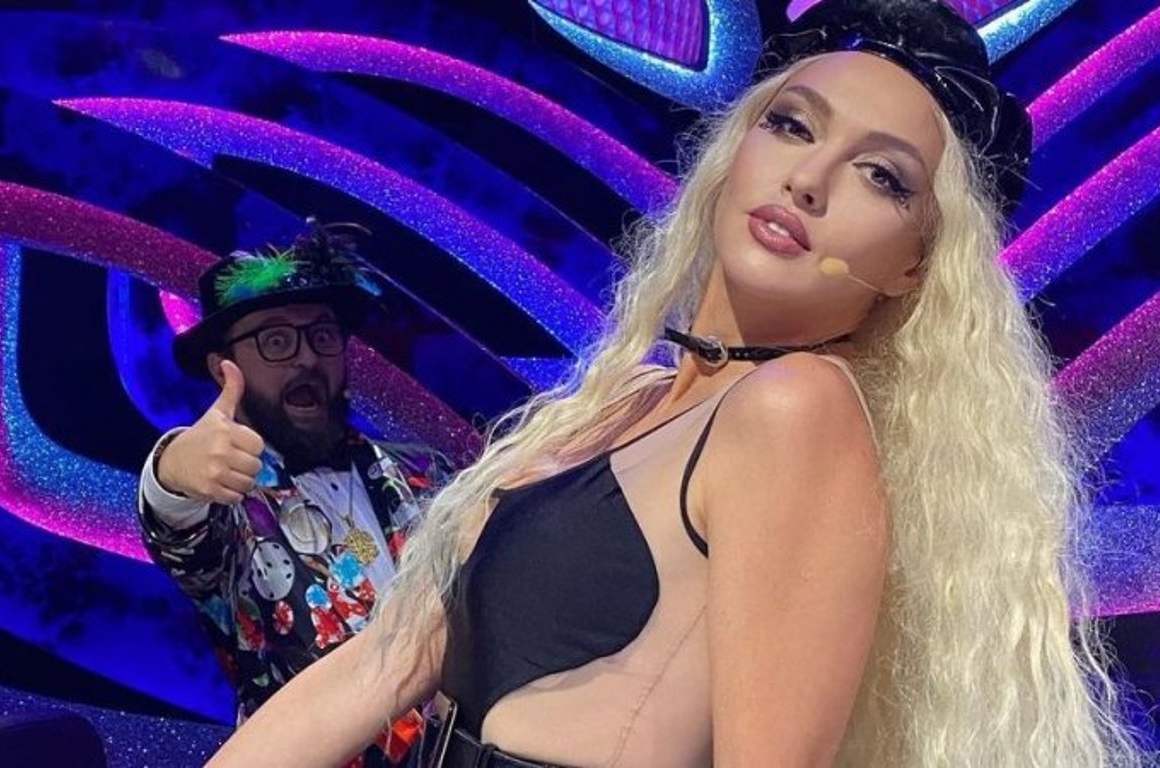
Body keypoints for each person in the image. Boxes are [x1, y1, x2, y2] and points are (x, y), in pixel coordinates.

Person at [205, 2, 1146, 766]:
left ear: (914, 267)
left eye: (881, 177)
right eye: (791, 125)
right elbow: (388, 662)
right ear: (734, 151)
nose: (809, 179)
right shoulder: (627, 404)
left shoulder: (796, 409)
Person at [138, 219, 448, 767]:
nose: (307, 359)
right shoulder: (228, 500)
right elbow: (180, 531)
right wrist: (173, 466)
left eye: (322, 335)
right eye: (276, 340)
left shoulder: (420, 472)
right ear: (223, 369)